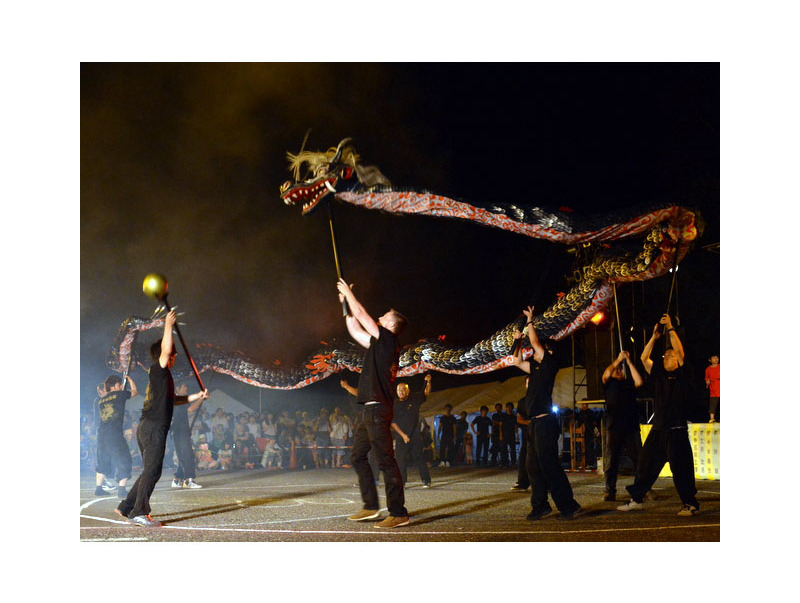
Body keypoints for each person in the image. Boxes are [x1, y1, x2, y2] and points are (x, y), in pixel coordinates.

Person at [115, 310, 209, 527]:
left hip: (149, 428)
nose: (173, 357)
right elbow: (166, 351)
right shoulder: (159, 369)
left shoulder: (161, 378)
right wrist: (168, 325)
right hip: (153, 429)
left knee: (152, 470)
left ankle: (127, 506)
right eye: (172, 354)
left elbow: (174, 400)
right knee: (152, 471)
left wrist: (198, 395)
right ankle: (139, 511)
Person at [336, 277, 410, 528]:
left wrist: (350, 295)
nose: (381, 316)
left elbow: (363, 315)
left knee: (385, 460)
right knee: (358, 457)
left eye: (385, 315)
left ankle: (398, 512)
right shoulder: (377, 344)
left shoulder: (389, 340)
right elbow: (355, 327)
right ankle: (370, 506)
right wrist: (345, 304)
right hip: (369, 410)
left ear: (391, 324)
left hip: (378, 408)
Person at [617, 315, 700, 517]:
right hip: (659, 429)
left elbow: (679, 351)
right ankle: (637, 499)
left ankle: (690, 504)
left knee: (681, 470)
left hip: (676, 430)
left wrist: (670, 328)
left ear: (677, 360)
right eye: (665, 356)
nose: (667, 357)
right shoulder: (658, 374)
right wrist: (654, 338)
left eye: (669, 356)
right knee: (645, 466)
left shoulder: (682, 373)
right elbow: (644, 358)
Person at [511, 306, 584, 521]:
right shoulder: (534, 368)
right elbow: (515, 361)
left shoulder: (550, 365)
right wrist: (517, 341)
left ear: (548, 352)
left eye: (540, 349)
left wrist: (529, 322)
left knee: (550, 466)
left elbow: (534, 343)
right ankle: (540, 506)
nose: (535, 351)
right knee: (533, 467)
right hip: (534, 424)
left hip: (545, 423)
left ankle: (569, 506)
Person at [601, 351, 644, 501]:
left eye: (620, 368)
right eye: (616, 369)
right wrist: (617, 360)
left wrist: (629, 362)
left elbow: (639, 381)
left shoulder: (628, 383)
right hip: (615, 426)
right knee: (612, 459)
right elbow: (606, 374)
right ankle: (610, 490)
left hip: (631, 425)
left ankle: (642, 488)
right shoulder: (609, 383)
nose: (618, 370)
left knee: (638, 458)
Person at [95, 374, 138, 498]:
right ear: (113, 387)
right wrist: (129, 378)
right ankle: (122, 489)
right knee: (124, 459)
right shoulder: (119, 394)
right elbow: (135, 392)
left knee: (103, 460)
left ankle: (98, 488)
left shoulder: (101, 400)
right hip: (114, 434)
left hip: (102, 435)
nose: (121, 387)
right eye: (119, 384)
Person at [390, 374, 433, 488]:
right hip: (400, 436)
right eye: (399, 390)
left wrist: (428, 382)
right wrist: (403, 435)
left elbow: (426, 393)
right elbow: (393, 422)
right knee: (400, 460)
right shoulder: (394, 404)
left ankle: (426, 480)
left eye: (404, 389)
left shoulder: (414, 399)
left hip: (415, 435)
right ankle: (402, 482)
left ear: (408, 391)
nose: (402, 391)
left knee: (419, 458)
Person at [170, 382, 205, 489]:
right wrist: (201, 398)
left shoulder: (177, 399)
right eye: (184, 386)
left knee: (183, 456)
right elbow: (190, 409)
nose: (186, 388)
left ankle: (177, 479)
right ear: (178, 388)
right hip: (179, 431)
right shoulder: (178, 400)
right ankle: (188, 480)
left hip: (179, 431)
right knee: (187, 455)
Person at [511, 377, 531, 491]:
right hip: (527, 434)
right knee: (524, 458)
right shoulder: (522, 401)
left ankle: (546, 483)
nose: (529, 385)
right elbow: (519, 419)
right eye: (528, 383)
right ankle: (522, 482)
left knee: (542, 458)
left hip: (540, 434)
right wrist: (529, 423)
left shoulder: (541, 399)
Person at [502, 402, 518, 468]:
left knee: (513, 449)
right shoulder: (503, 416)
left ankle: (513, 463)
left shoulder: (514, 417)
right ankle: (505, 463)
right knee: (504, 449)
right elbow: (500, 426)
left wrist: (517, 436)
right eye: (508, 407)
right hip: (504, 434)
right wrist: (500, 434)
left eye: (510, 407)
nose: (509, 409)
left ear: (512, 408)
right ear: (506, 408)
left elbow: (515, 427)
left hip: (512, 434)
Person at [705, 354, 720, 422]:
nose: (716, 359)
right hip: (713, 388)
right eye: (714, 358)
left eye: (717, 357)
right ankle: (712, 419)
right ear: (710, 360)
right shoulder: (708, 369)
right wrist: (707, 381)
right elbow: (706, 378)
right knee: (713, 403)